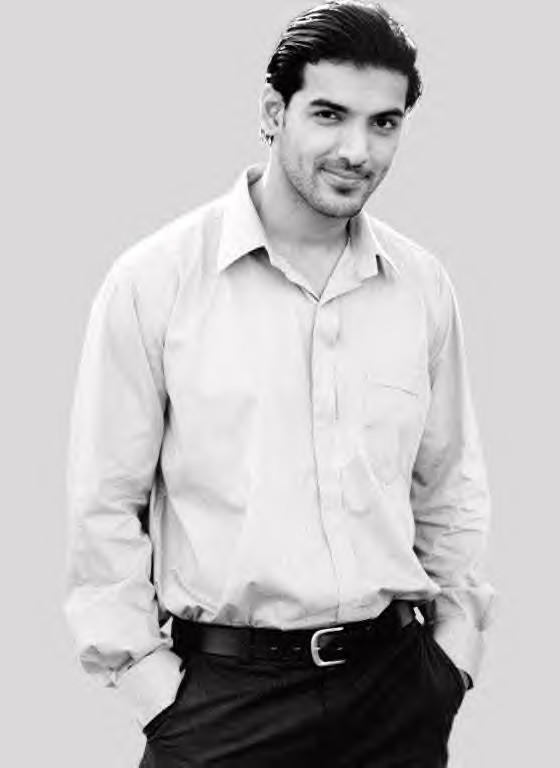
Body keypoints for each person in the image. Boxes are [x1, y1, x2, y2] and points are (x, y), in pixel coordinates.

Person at [65, 2, 494, 766]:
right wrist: (148, 683)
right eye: (329, 115)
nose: (357, 150)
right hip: (224, 704)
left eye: (384, 123)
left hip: (396, 692)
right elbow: (103, 502)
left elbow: (449, 479)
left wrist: (453, 653)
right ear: (273, 112)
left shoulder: (422, 286)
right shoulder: (155, 283)